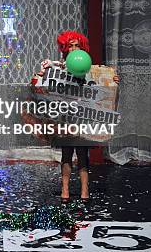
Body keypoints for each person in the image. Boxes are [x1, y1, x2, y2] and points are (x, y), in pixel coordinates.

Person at [37, 31, 118, 203]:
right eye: (70, 45)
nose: (73, 48)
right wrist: (42, 73)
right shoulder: (57, 68)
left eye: (77, 45)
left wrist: (112, 82)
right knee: (66, 155)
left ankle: (84, 190)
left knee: (83, 155)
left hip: (84, 117)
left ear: (82, 48)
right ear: (65, 47)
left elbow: (102, 90)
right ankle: (65, 189)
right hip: (66, 118)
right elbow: (40, 86)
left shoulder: (89, 69)